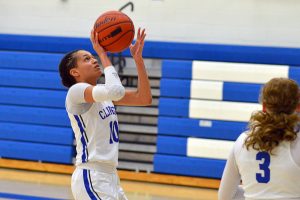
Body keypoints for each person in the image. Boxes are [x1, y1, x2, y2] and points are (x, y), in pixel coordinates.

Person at [58, 28, 151, 200]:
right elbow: (115, 90)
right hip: (91, 175)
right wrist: (103, 53)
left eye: (93, 57)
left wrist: (138, 60)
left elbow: (144, 98)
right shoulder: (76, 92)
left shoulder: (103, 94)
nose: (94, 60)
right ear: (75, 72)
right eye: (87, 58)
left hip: (110, 176)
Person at [218, 78, 300, 200]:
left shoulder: (242, 141)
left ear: (264, 106)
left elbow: (224, 196)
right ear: (298, 106)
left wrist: (254, 193)